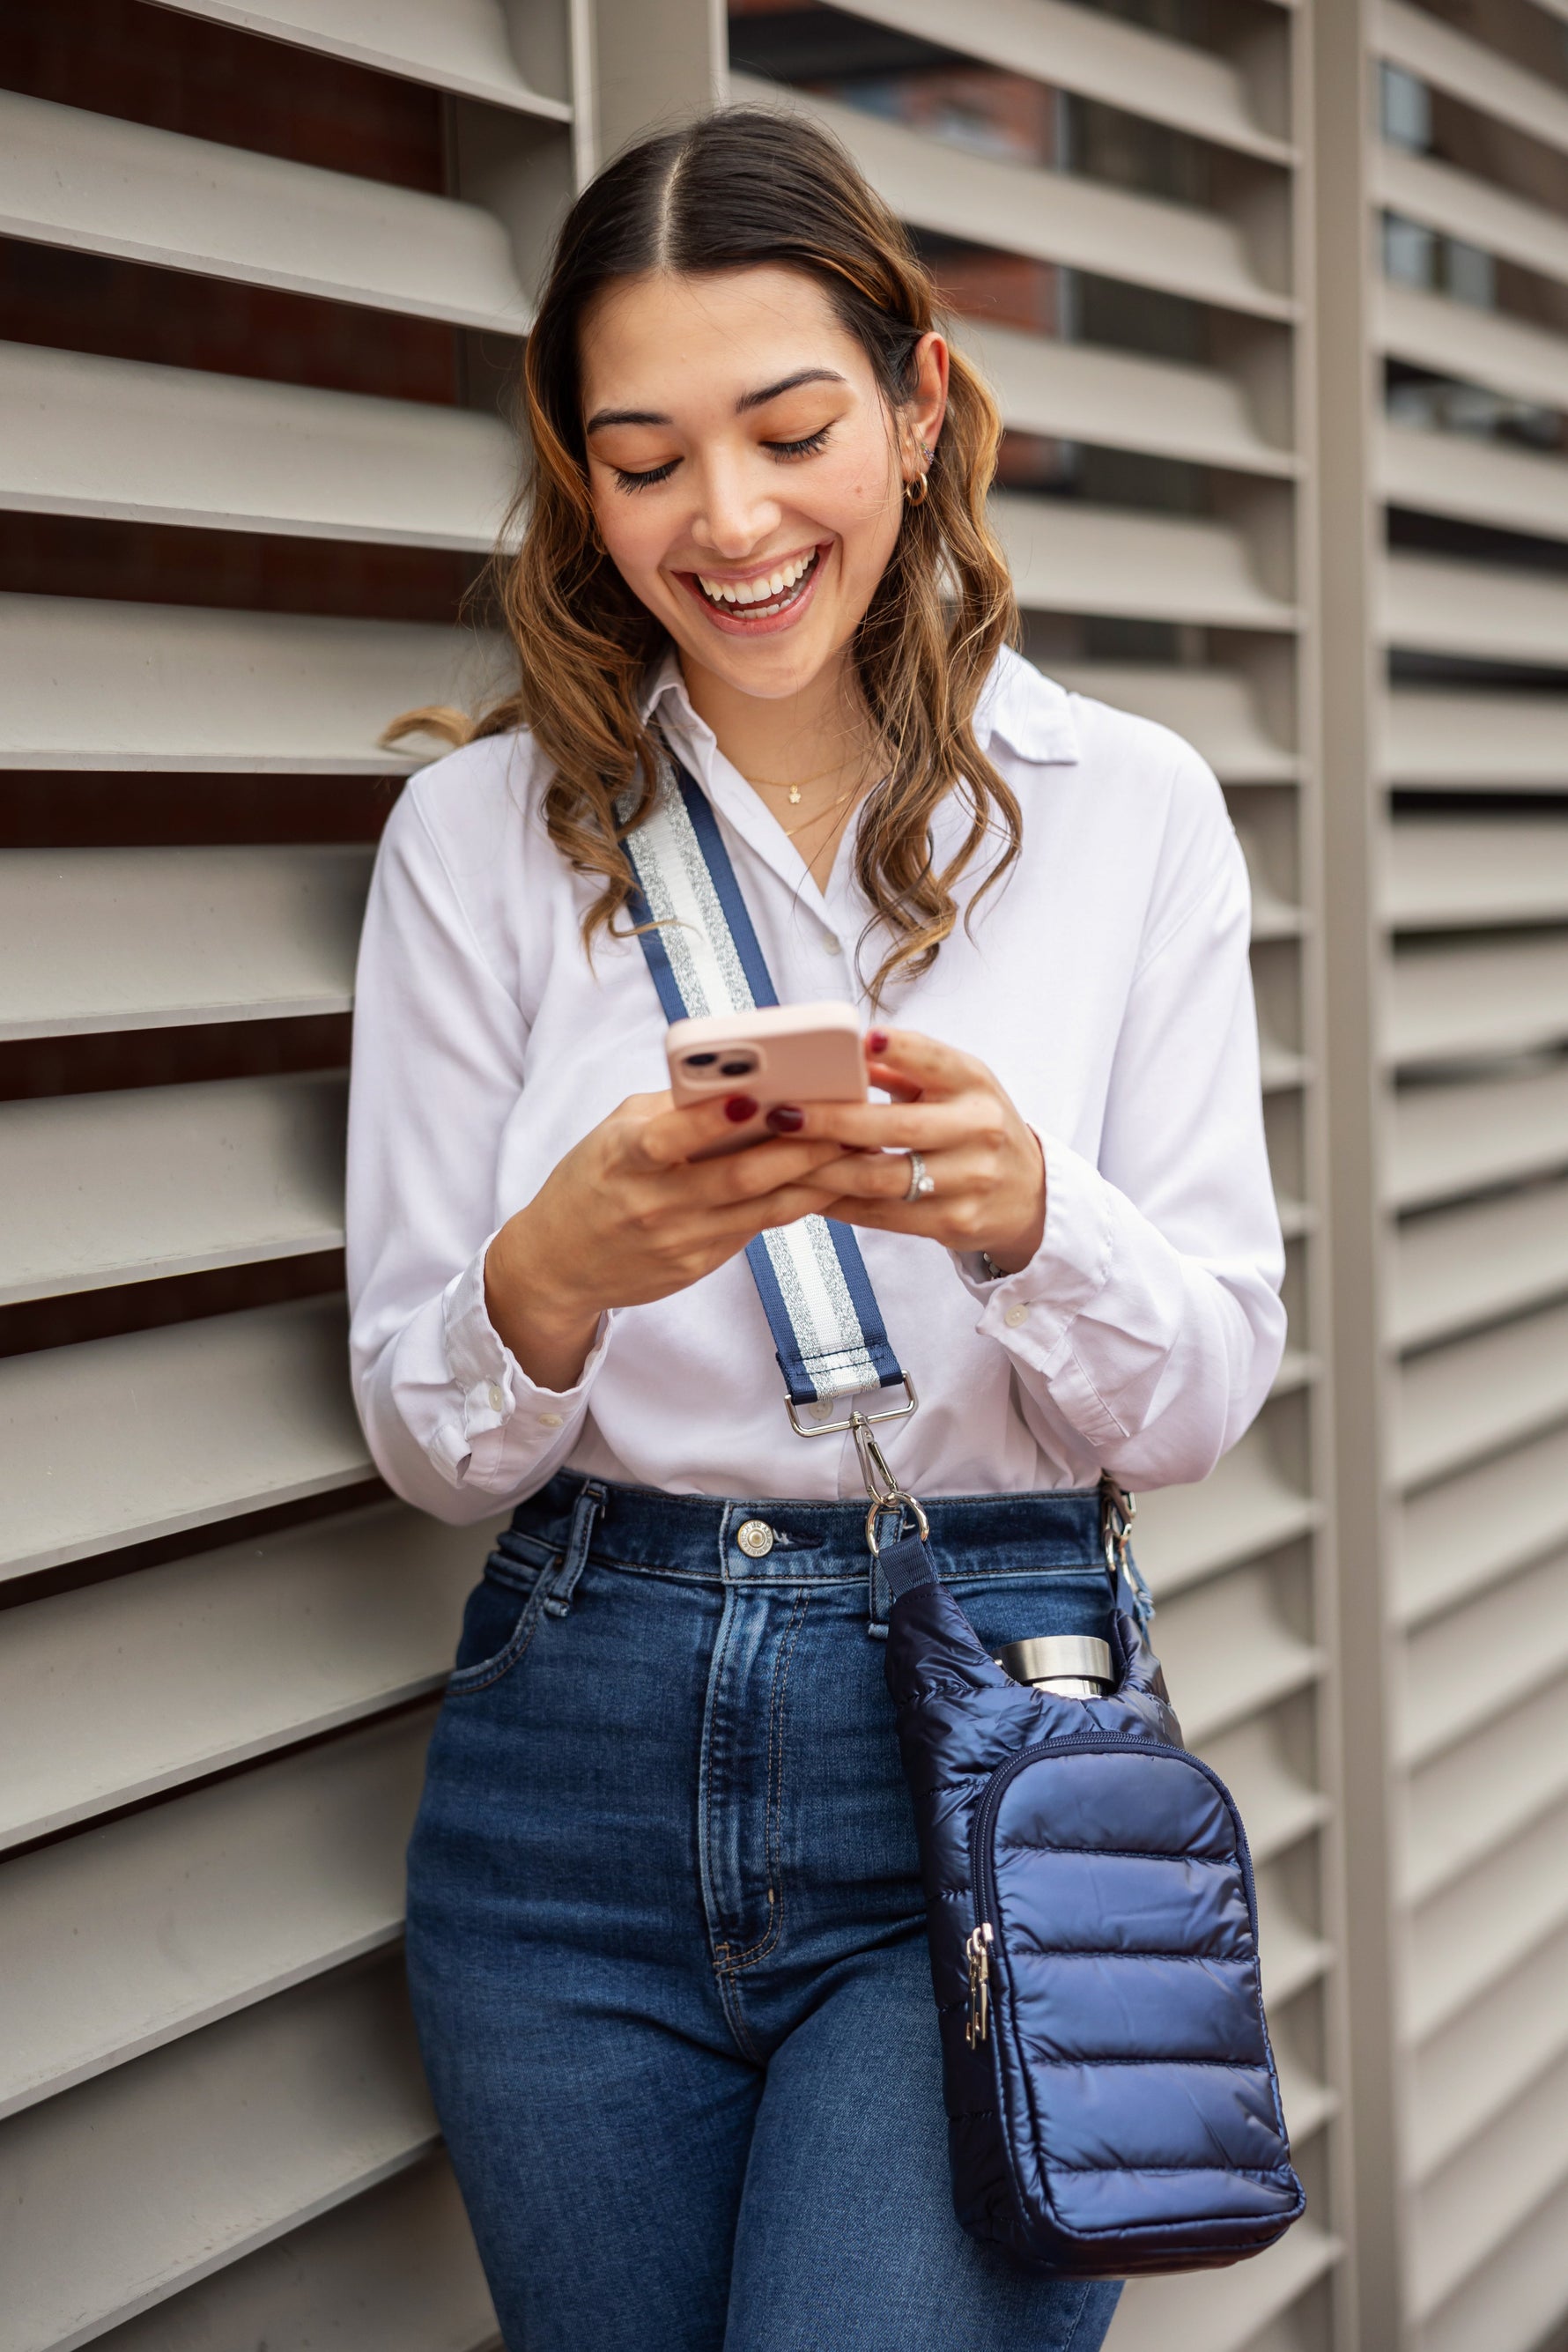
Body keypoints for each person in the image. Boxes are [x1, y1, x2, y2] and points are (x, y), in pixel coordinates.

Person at [346, 104, 1284, 2352]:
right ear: (581, 479)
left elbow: (1202, 1396)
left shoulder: (1122, 810)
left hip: (973, 1725)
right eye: (644, 455)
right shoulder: (474, 840)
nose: (731, 520)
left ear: (917, 397)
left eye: (788, 429)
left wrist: (1034, 1217)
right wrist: (558, 1267)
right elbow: (424, 1433)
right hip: (567, 1767)